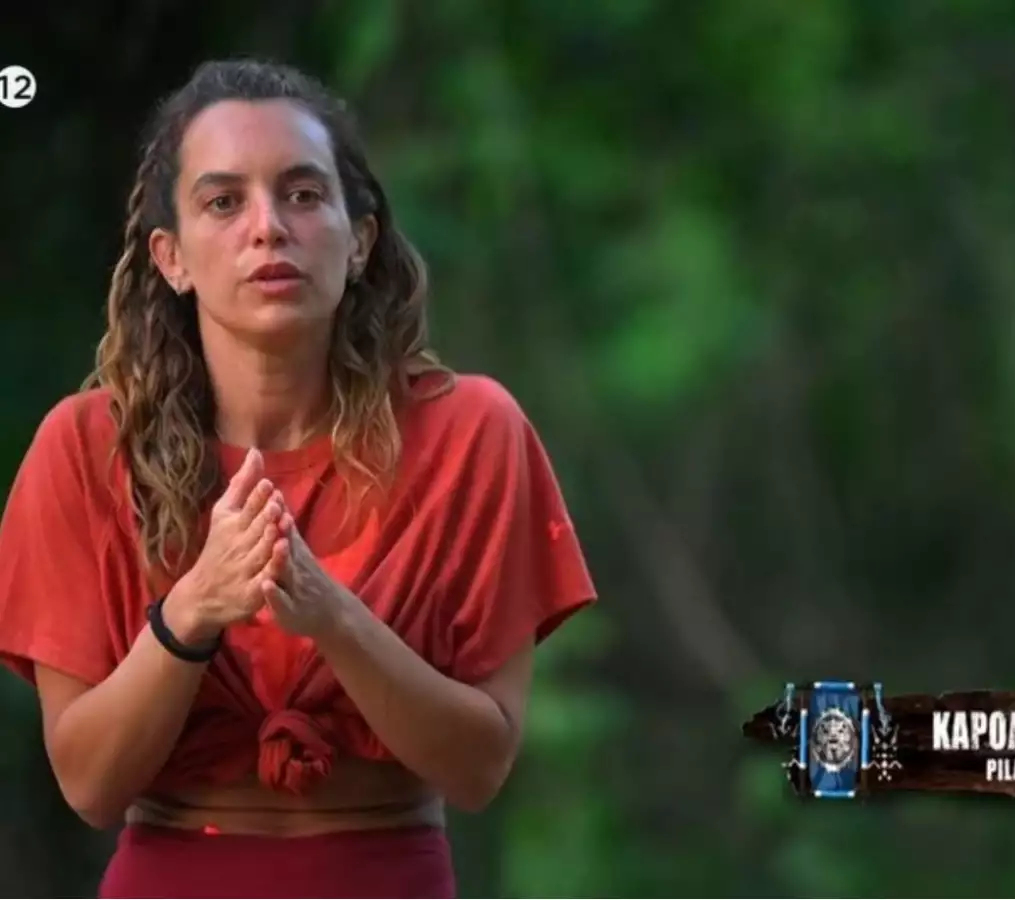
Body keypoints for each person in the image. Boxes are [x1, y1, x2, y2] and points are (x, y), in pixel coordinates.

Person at [0, 58, 597, 898]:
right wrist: (193, 610)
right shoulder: (85, 448)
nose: (268, 228)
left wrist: (333, 618)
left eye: (304, 194)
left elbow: (479, 769)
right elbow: (89, 785)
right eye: (223, 202)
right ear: (170, 257)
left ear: (359, 241)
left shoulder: (471, 434)